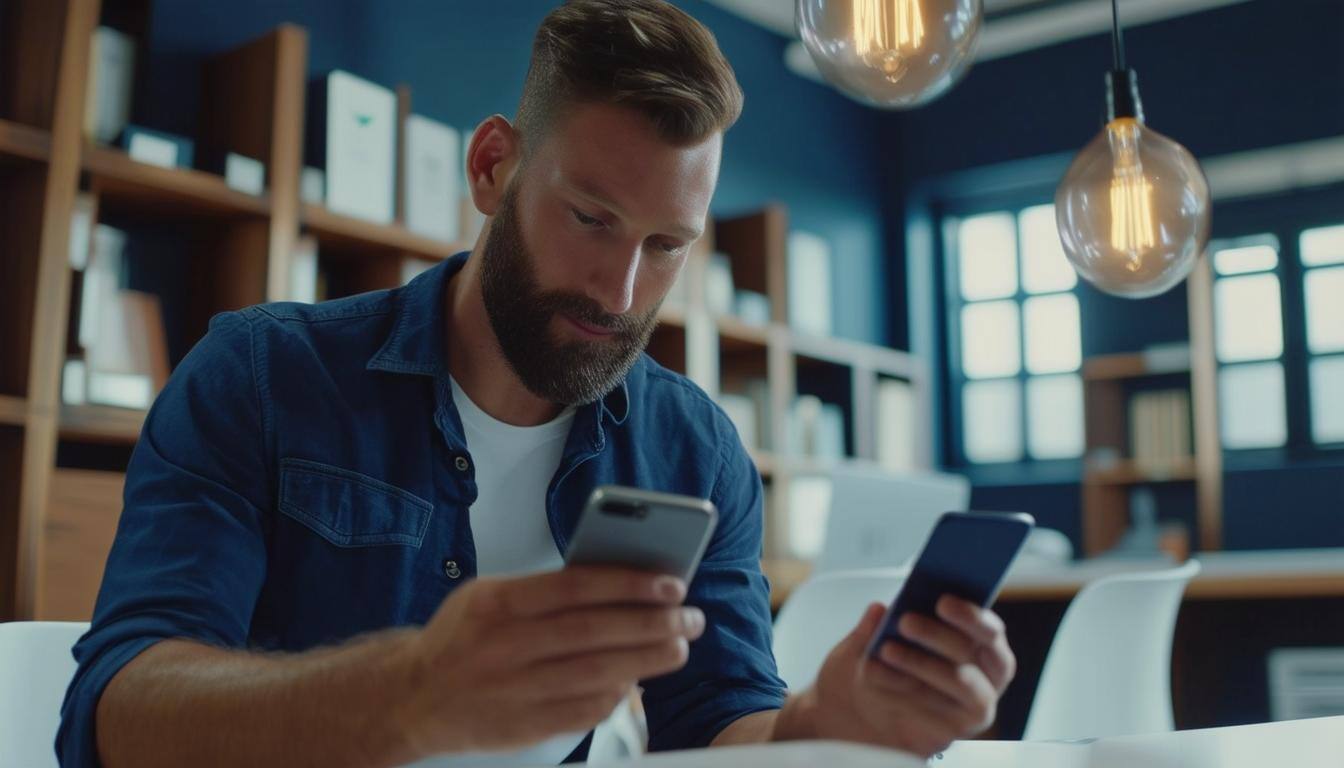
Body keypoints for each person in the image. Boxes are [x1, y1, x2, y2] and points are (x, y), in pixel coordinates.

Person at [58, 1, 1015, 765]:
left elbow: (715, 727)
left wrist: (830, 723)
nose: (622, 290)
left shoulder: (695, 447)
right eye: (591, 218)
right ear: (491, 168)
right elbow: (116, 717)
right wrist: (409, 694)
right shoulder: (263, 376)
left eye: (666, 246)